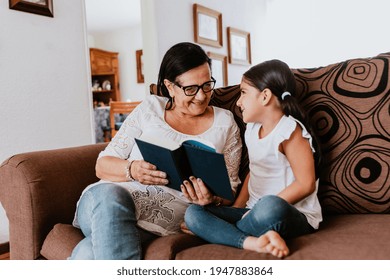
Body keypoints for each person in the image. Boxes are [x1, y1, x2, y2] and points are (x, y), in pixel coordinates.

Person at [69, 42, 242, 260]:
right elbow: (102, 165)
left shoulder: (225, 123)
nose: (201, 96)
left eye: (207, 85)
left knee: (88, 253)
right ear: (170, 86)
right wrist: (132, 169)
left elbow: (231, 190)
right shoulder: (150, 109)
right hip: (105, 203)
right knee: (111, 195)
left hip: (162, 224)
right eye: (190, 89)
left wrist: (211, 198)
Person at [183, 59, 323, 258]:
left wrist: (254, 211)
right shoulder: (252, 129)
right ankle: (254, 243)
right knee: (193, 213)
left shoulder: (290, 131)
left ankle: (226, 234)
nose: (238, 102)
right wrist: (239, 207)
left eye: (243, 93)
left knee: (269, 206)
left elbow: (306, 183)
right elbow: (254, 172)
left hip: (288, 212)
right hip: (251, 212)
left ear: (265, 96)